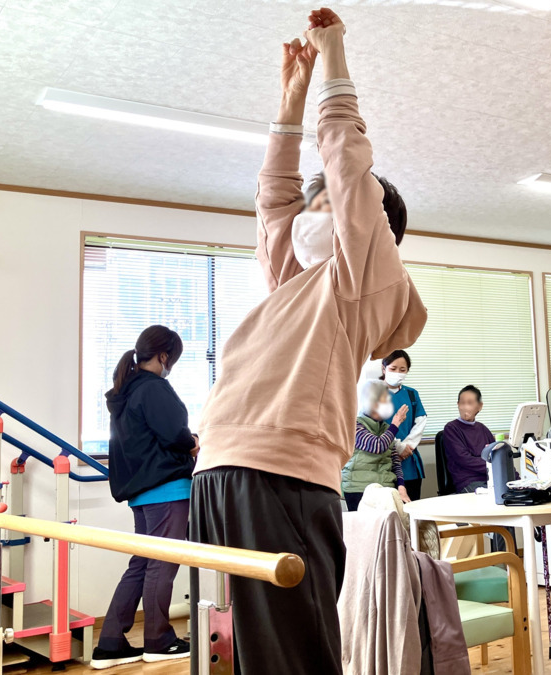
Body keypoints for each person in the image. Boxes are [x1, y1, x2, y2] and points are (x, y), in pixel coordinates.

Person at [189, 9, 427, 674]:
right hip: (221, 468)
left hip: (282, 473)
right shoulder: (290, 277)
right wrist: (289, 102)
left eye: (330, 206)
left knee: (294, 654)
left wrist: (333, 57)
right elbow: (274, 197)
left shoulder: (362, 281)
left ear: (374, 231)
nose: (312, 213)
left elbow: (347, 163)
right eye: (313, 205)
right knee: (251, 655)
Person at [92, 326, 196, 669]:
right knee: (162, 563)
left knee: (141, 563)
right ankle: (158, 640)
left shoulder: (126, 391)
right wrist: (193, 442)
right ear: (164, 356)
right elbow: (175, 434)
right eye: (173, 359)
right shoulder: (153, 387)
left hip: (141, 492)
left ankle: (110, 642)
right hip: (166, 488)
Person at [342, 380, 410, 510]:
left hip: (385, 488)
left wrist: (401, 487)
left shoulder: (386, 428)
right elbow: (377, 446)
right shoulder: (354, 425)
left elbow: (395, 461)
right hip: (359, 488)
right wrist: (396, 424)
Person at [381, 350, 428, 501]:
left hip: (409, 462)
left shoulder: (412, 394)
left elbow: (420, 421)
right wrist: (397, 447)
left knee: (411, 508)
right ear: (384, 368)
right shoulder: (374, 394)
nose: (397, 373)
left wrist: (407, 447)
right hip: (384, 461)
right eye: (393, 368)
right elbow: (373, 427)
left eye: (402, 370)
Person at [442, 385, 495, 493]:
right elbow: (464, 460)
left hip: (490, 478)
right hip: (468, 481)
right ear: (458, 405)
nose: (465, 407)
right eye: (462, 403)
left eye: (470, 403)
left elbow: (497, 455)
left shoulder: (483, 429)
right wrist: (493, 465)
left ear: (480, 406)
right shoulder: (451, 428)